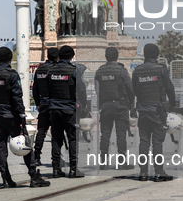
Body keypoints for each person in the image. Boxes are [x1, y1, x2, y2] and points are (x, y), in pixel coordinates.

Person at [0, 47, 50, 188]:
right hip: (12, 116)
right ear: (9, 59)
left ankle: (5, 177)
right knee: (25, 144)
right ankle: (33, 176)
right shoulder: (12, 75)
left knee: (1, 147)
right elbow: (17, 98)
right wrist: (21, 117)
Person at [132, 43, 176, 182]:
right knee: (157, 141)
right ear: (157, 55)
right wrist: (173, 105)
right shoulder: (161, 69)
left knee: (144, 141)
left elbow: (134, 90)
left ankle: (143, 173)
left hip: (143, 110)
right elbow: (169, 88)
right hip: (157, 111)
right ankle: (159, 172)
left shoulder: (137, 71)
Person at [47, 45, 87, 178]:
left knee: (56, 139)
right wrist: (84, 105)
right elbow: (81, 90)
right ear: (71, 56)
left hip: (54, 109)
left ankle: (56, 169)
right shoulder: (74, 70)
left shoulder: (51, 70)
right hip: (69, 109)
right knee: (73, 138)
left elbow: (46, 90)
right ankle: (74, 169)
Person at [94, 47, 134, 170]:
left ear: (106, 56)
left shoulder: (99, 72)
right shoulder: (121, 71)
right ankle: (122, 162)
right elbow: (130, 88)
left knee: (105, 134)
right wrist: (131, 104)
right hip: (120, 106)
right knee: (121, 134)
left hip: (105, 106)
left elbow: (97, 89)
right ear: (117, 57)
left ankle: (103, 163)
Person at [32, 47, 59, 166]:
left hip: (43, 104)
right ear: (57, 57)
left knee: (41, 131)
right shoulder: (57, 69)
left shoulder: (39, 69)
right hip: (55, 104)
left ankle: (36, 157)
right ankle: (56, 160)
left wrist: (38, 104)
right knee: (56, 133)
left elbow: (35, 90)